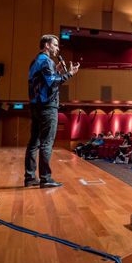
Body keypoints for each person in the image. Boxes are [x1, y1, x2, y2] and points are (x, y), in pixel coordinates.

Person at [24, 34, 79, 188]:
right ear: (47, 45)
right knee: (46, 143)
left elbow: (43, 81)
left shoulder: (35, 61)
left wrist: (56, 70)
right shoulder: (46, 61)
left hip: (35, 106)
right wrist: (69, 74)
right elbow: (52, 83)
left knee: (33, 143)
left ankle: (29, 178)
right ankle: (45, 178)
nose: (57, 48)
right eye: (55, 45)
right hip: (47, 107)